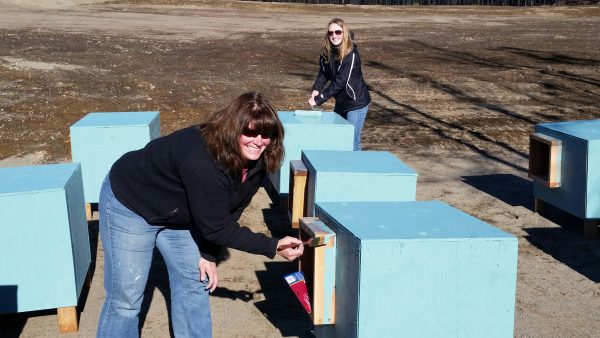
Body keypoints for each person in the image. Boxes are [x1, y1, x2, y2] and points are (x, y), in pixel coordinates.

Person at [96, 92, 304, 338]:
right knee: (126, 298)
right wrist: (274, 246)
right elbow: (217, 228)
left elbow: (232, 209)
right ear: (232, 129)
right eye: (249, 132)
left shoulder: (259, 159)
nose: (258, 141)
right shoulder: (203, 160)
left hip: (180, 212)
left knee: (195, 283)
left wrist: (208, 253)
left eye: (265, 134)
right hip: (133, 203)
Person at [308, 18, 371, 151]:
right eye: (331, 33)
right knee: (339, 139)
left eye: (338, 32)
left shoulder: (351, 54)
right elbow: (323, 73)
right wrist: (316, 89)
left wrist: (319, 99)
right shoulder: (326, 52)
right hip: (341, 102)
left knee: (352, 143)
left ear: (344, 33)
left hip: (356, 103)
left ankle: (355, 170)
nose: (334, 36)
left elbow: (340, 83)